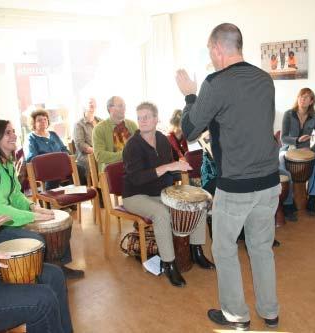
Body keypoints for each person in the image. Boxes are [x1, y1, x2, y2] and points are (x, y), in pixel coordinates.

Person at [176, 23, 280, 330]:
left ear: (219, 48)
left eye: (210, 50)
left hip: (236, 186)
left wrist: (190, 95)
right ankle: (270, 311)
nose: (211, 56)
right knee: (261, 248)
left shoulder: (215, 83)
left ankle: (236, 315)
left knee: (224, 249)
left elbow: (190, 130)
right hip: (269, 182)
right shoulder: (265, 79)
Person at [0, 120, 84, 279]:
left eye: (13, 131)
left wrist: (33, 207)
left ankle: (59, 265)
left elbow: (15, 194)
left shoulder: (4, 163)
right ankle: (42, 274)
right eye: (8, 132)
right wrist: (34, 217)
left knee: (60, 223)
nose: (14, 135)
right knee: (37, 238)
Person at [122, 102, 214, 287]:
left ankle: (196, 251)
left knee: (197, 202)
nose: (143, 121)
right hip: (135, 195)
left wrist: (181, 168)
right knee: (161, 214)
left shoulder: (162, 140)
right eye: (139, 117)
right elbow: (137, 179)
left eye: (147, 116)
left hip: (160, 192)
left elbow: (171, 168)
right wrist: (168, 167)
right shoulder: (132, 146)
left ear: (156, 119)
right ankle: (169, 264)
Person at [279, 87, 315, 216]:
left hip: (306, 152)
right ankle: (288, 203)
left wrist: (311, 150)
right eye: (301, 96)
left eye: (306, 97)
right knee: (281, 164)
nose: (302, 99)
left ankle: (312, 199)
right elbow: (283, 138)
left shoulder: (314, 117)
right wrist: (297, 140)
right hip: (289, 149)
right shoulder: (288, 114)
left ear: (311, 101)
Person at [25, 109, 87, 189]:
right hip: (44, 168)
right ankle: (48, 199)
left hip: (61, 164)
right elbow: (31, 158)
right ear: (33, 123)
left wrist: (68, 157)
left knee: (80, 169)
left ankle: (72, 194)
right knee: (55, 172)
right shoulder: (31, 138)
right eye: (39, 120)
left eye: (45, 119)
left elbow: (63, 149)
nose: (43, 121)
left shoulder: (53, 134)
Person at [92, 96, 138, 172]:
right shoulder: (99, 129)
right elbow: (100, 155)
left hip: (134, 169)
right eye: (120, 106)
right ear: (110, 108)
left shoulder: (132, 125)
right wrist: (125, 155)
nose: (124, 108)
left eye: (124, 106)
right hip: (112, 172)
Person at [73, 97, 102, 171]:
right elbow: (80, 144)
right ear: (83, 106)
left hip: (101, 152)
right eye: (89, 102)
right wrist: (97, 152)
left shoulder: (101, 121)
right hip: (86, 155)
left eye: (93, 102)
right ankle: (101, 182)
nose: (91, 103)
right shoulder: (78, 124)